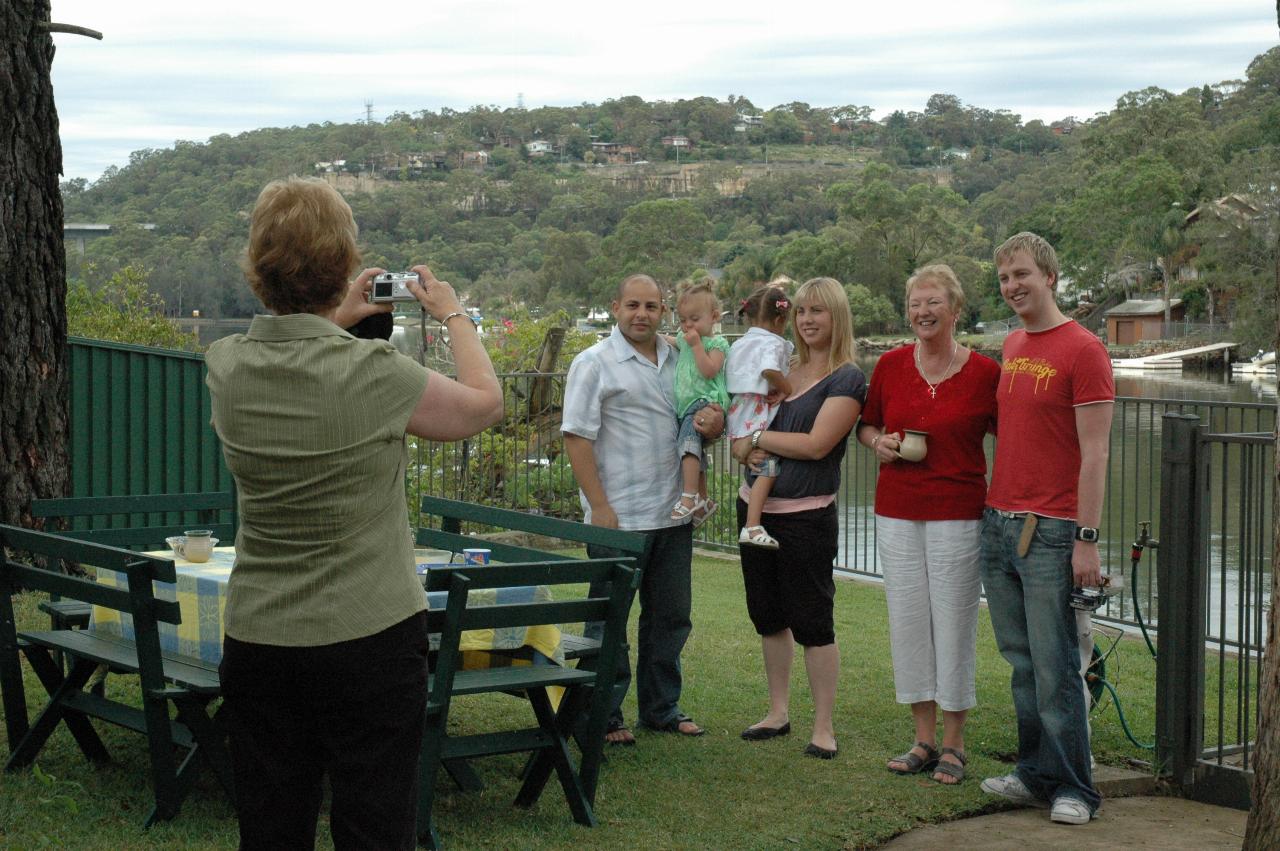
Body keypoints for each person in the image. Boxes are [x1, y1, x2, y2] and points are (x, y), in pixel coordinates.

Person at [205, 176, 504, 850]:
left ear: (256, 269)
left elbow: (298, 344)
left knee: (272, 830)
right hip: (371, 637)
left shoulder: (226, 366)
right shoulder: (379, 376)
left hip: (260, 637)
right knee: (375, 828)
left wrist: (331, 312)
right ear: (343, 266)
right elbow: (485, 402)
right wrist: (452, 312)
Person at [978, 232, 1114, 826]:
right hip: (999, 521)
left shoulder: (1084, 350)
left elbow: (1096, 453)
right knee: (1022, 661)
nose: (1013, 287)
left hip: (1053, 530)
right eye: (1005, 278)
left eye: (1023, 275)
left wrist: (1086, 539)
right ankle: (1035, 773)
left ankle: (1076, 789)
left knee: (1058, 662)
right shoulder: (1011, 344)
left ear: (1051, 277)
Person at [562, 273, 723, 745]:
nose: (642, 315)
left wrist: (715, 422)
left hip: (673, 512)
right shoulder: (594, 363)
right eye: (633, 305)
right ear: (615, 307)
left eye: (652, 307)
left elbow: (703, 410)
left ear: (663, 311)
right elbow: (576, 437)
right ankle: (605, 714)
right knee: (608, 618)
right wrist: (600, 506)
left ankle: (661, 708)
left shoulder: (679, 358)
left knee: (671, 617)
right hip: (619, 517)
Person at [855, 264, 1000, 785]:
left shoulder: (986, 373)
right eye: (916, 304)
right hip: (896, 509)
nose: (923, 312)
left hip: (959, 514)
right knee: (909, 620)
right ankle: (922, 738)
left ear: (955, 310)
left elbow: (1012, 436)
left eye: (933, 303)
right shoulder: (891, 366)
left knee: (954, 623)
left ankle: (955, 744)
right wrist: (879, 444)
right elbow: (866, 425)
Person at [732, 277, 865, 759]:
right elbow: (744, 423)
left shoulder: (846, 377)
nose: (808, 320)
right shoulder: (782, 368)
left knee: (813, 621)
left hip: (806, 519)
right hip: (755, 509)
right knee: (769, 618)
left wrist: (758, 442)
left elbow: (816, 445)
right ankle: (777, 711)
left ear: (838, 317)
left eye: (819, 311)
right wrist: (742, 445)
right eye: (802, 311)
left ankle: (824, 727)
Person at [726, 282, 793, 549]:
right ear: (780, 319)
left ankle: (751, 523)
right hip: (757, 410)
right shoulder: (772, 342)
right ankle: (752, 525)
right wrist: (786, 387)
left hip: (739, 409)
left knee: (757, 460)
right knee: (769, 465)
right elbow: (768, 369)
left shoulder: (740, 344)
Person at [669, 279, 731, 526]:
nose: (687, 325)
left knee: (687, 445)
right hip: (687, 405)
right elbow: (672, 341)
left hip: (704, 401)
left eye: (694, 319)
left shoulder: (716, 344)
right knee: (696, 450)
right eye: (683, 320)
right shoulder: (683, 340)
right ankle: (704, 499)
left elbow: (709, 370)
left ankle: (689, 497)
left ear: (714, 316)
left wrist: (696, 346)